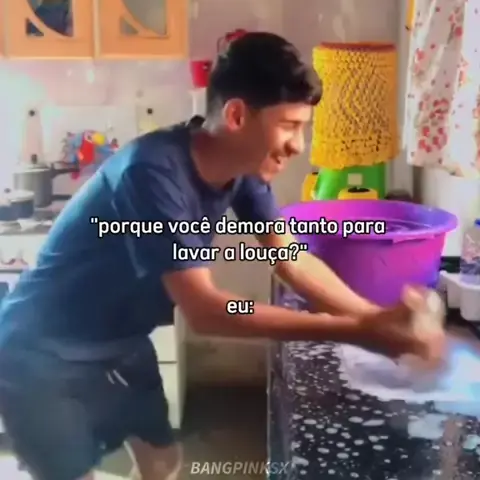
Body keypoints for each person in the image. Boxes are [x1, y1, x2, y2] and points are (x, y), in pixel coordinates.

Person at [0, 32, 445, 480]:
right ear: (236, 116)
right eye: (289, 125)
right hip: (40, 353)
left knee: (162, 461)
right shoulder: (151, 173)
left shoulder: (243, 169)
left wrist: (377, 318)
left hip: (121, 342)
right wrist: (356, 332)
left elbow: (290, 257)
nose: (298, 145)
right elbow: (209, 310)